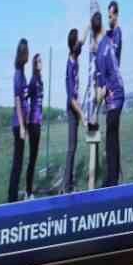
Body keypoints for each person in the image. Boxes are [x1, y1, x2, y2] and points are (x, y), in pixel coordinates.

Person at [92, 11, 124, 187]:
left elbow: (101, 90)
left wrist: (93, 111)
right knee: (113, 138)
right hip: (119, 93)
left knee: (110, 141)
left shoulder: (99, 55)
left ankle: (112, 181)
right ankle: (114, 176)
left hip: (114, 98)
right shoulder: (108, 41)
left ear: (94, 35)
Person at [7, 38, 30, 203]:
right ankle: (12, 198)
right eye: (27, 52)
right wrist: (22, 126)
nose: (28, 54)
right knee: (17, 162)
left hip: (22, 123)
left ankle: (14, 195)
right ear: (23, 54)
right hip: (18, 124)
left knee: (19, 161)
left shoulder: (22, 72)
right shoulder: (18, 74)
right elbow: (17, 101)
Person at [63, 27, 82, 193]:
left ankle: (69, 181)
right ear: (73, 45)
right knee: (71, 147)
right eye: (77, 42)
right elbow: (71, 100)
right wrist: (82, 114)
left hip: (76, 108)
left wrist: (89, 25)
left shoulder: (75, 56)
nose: (80, 44)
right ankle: (66, 186)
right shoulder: (69, 66)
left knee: (74, 147)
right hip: (72, 109)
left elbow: (82, 40)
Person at [24, 52, 45, 198]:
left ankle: (29, 189)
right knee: (32, 158)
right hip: (33, 124)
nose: (40, 63)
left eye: (41, 61)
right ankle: (28, 192)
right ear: (34, 64)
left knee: (34, 157)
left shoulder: (40, 81)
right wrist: (26, 121)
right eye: (38, 61)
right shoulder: (33, 81)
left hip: (38, 123)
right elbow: (25, 98)